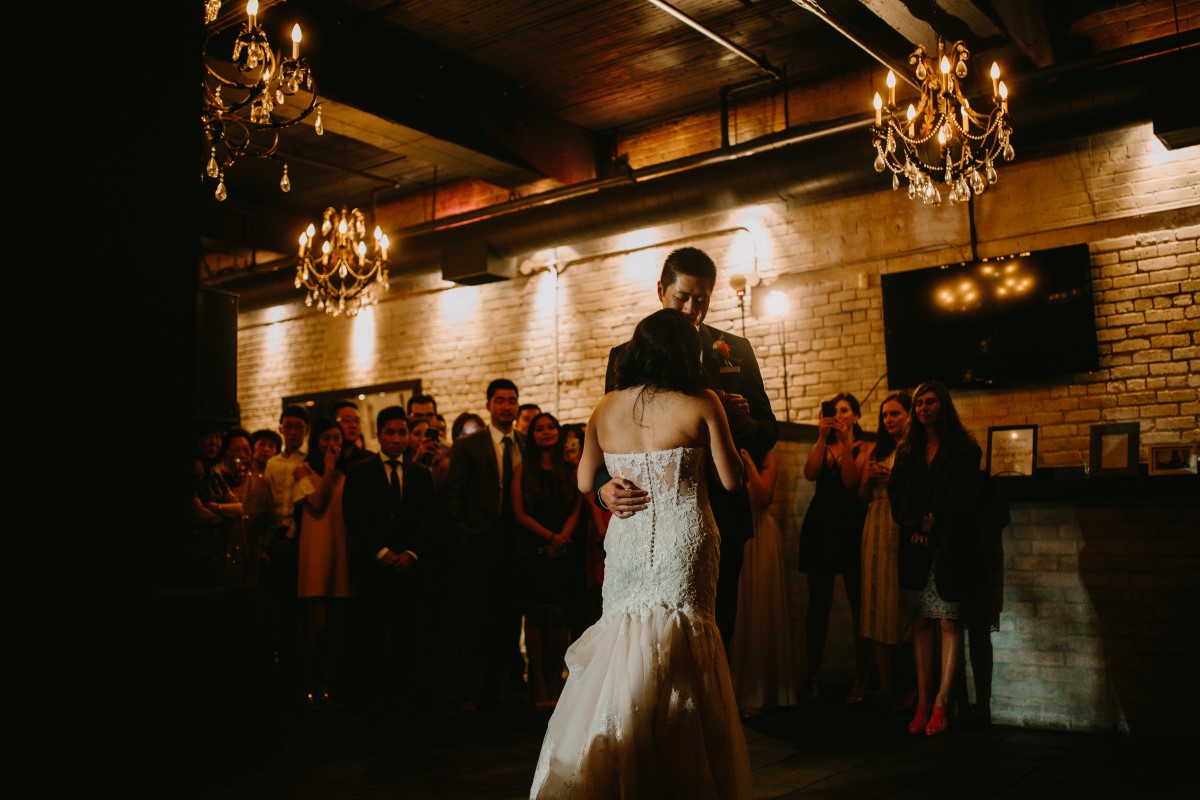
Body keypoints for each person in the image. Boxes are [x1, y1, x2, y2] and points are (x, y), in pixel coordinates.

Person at [530, 308, 751, 799]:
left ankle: (616, 765)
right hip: (685, 539)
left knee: (625, 644)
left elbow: (587, 480)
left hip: (628, 542)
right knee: (683, 649)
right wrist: (734, 426)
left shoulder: (605, 407)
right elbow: (733, 479)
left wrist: (609, 489)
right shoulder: (703, 400)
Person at [596, 246, 778, 651]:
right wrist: (601, 487)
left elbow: (769, 431)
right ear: (661, 290)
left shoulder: (736, 351)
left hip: (721, 516)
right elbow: (609, 434)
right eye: (683, 298)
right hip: (644, 517)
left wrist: (744, 427)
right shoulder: (624, 357)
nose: (692, 310)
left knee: (714, 631)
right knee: (640, 635)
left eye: (702, 300)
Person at [888, 380, 983, 737]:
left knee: (948, 622)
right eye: (920, 403)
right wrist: (917, 521)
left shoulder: (964, 448)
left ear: (944, 406)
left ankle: (944, 701)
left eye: (931, 402)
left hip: (951, 543)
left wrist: (933, 519)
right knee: (921, 623)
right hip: (915, 545)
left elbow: (966, 493)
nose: (924, 408)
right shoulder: (908, 449)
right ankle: (923, 700)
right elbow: (896, 491)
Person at [342, 406, 436, 717]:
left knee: (409, 633)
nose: (397, 439)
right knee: (373, 634)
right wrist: (382, 552)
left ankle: (409, 697)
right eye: (390, 433)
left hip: (411, 567)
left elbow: (428, 519)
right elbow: (355, 517)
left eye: (402, 433)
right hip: (374, 566)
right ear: (380, 435)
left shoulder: (420, 474)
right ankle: (375, 700)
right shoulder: (359, 471)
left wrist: (411, 553)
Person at [443, 379, 527, 712]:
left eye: (512, 400)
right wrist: (465, 532)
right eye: (500, 400)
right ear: (489, 405)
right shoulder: (469, 446)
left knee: (510, 617)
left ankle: (506, 687)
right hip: (479, 541)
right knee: (475, 618)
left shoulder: (525, 443)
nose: (507, 406)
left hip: (516, 542)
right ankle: (471, 691)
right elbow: (453, 494)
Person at [797, 392, 870, 702]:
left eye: (844, 410)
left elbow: (852, 482)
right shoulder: (823, 443)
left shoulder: (866, 448)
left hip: (851, 525)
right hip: (821, 525)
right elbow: (810, 473)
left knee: (858, 603)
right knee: (818, 604)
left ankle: (862, 677)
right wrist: (821, 438)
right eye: (833, 411)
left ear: (855, 416)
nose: (838, 415)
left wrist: (842, 444)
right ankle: (813, 676)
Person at [512, 412, 583, 711]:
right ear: (532, 435)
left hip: (563, 550)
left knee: (558, 616)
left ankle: (557, 683)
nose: (545, 433)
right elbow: (519, 512)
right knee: (535, 618)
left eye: (550, 427)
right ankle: (538, 685)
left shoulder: (569, 468)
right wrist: (549, 537)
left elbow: (578, 506)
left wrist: (562, 537)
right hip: (532, 549)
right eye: (539, 429)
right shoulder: (522, 469)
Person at [728, 445, 797, 717]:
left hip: (761, 534)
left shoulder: (767, 457)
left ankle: (758, 691)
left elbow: (763, 497)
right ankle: (733, 689)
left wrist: (748, 463)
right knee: (737, 613)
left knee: (759, 611)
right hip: (735, 533)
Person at [857, 390, 913, 705]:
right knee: (875, 603)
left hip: (898, 524)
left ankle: (909, 684)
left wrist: (893, 479)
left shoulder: (912, 450)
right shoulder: (875, 450)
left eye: (895, 414)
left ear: (908, 417)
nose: (889, 420)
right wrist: (869, 477)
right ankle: (884, 684)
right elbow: (861, 497)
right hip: (874, 523)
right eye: (885, 415)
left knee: (898, 603)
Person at [293, 417, 353, 709]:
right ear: (316, 440)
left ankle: (327, 682)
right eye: (327, 438)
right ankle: (307, 681)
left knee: (338, 624)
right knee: (317, 623)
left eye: (337, 439)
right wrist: (328, 468)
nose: (332, 444)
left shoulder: (347, 474)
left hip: (341, 549)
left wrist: (335, 469)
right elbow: (315, 503)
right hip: (316, 551)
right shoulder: (302, 470)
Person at [330, 400, 375, 467]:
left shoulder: (370, 460)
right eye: (346, 420)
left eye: (357, 421)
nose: (353, 425)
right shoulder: (325, 460)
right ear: (333, 423)